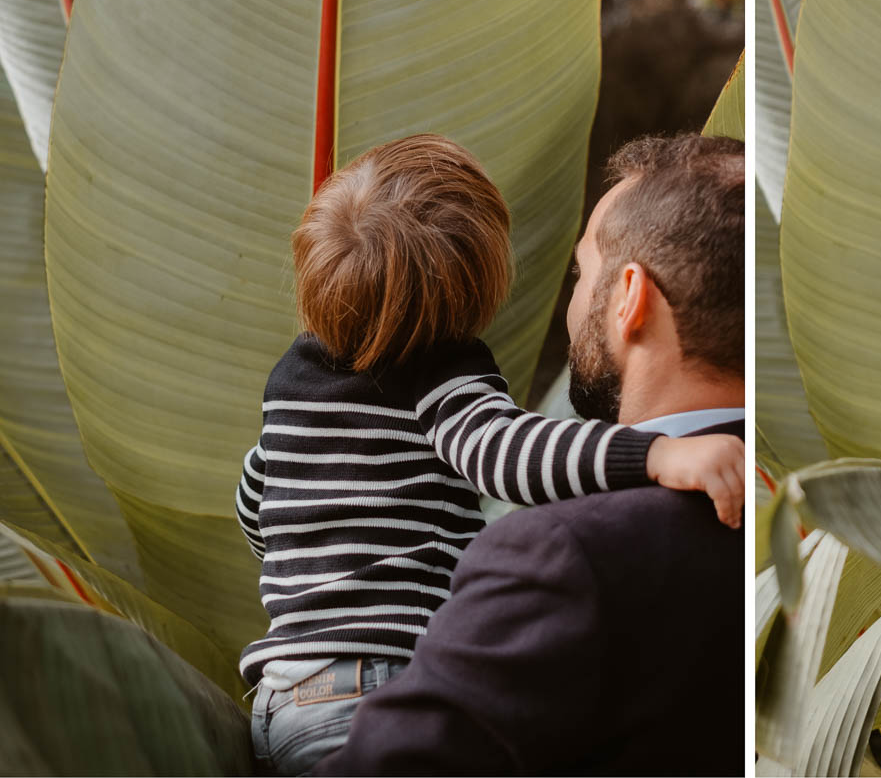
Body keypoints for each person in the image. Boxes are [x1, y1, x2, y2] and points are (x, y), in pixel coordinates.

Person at [234, 134, 743, 776]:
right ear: (469, 288)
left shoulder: (291, 384)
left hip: (280, 697)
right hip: (368, 691)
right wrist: (654, 456)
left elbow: (258, 502)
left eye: (581, 272)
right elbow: (507, 452)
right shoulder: (441, 375)